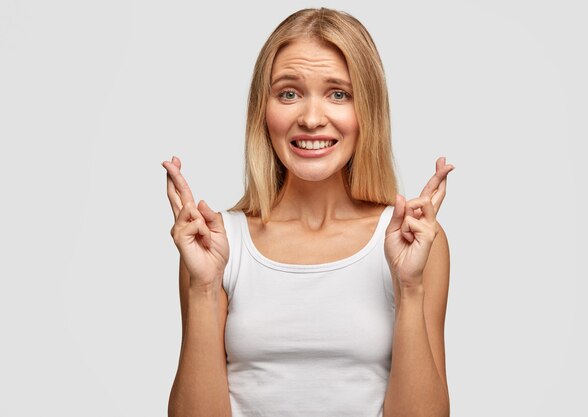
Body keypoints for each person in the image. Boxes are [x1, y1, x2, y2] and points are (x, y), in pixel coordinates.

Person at [162, 7, 455, 417]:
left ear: (367, 109)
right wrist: (202, 288)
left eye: (338, 93)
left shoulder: (411, 239)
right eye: (289, 93)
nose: (312, 119)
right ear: (263, 111)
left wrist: (409, 289)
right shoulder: (218, 245)